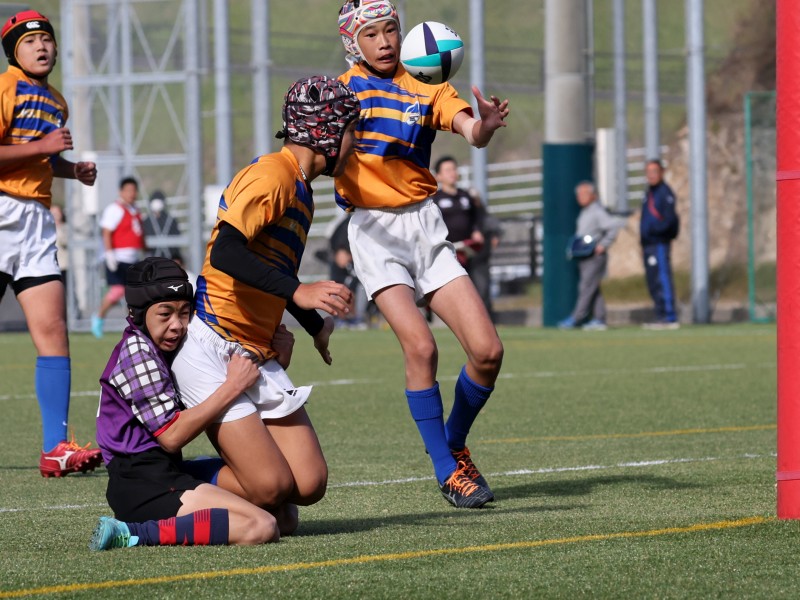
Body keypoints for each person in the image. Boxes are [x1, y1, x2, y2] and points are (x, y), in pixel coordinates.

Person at [335, 1, 508, 508]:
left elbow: (470, 132)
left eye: (390, 29)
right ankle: (447, 472)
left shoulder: (426, 82)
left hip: (426, 225)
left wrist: (486, 125)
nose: (385, 41)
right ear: (353, 44)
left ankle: (452, 444)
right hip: (373, 230)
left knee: (488, 352)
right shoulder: (343, 93)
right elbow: (323, 156)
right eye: (371, 34)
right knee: (422, 348)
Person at [170, 76, 361, 526]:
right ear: (326, 132)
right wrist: (299, 292)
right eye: (352, 131)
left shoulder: (301, 189)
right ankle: (170, 477)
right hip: (212, 343)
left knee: (309, 484)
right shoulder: (273, 174)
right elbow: (226, 252)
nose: (356, 143)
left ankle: (249, 475)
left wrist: (314, 325)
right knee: (271, 489)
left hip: (254, 350)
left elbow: (272, 270)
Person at [90, 257, 284, 550]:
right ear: (137, 313)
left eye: (184, 313)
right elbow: (171, 436)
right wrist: (233, 386)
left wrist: (278, 357)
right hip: (142, 484)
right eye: (165, 314)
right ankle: (132, 532)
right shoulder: (137, 352)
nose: (177, 325)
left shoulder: (165, 346)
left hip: (169, 470)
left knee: (284, 513)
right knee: (261, 526)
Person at [0, 9, 101, 478]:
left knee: (54, 330)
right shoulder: (5, 89)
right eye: (28, 41)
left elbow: (39, 161)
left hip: (36, 220)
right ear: (12, 52)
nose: (40, 47)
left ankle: (55, 448)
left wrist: (71, 170)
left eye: (46, 39)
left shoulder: (56, 101)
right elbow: (30, 151)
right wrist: (43, 148)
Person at [431, 155, 501, 320]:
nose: (452, 173)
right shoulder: (434, 200)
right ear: (438, 176)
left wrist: (478, 231)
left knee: (480, 285)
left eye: (454, 169)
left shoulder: (467, 196)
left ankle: (485, 319)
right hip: (449, 253)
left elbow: (479, 217)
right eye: (448, 170)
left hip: (470, 250)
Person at [558, 181, 621, 331]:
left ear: (593, 195)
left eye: (583, 194)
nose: (579, 197)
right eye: (578, 195)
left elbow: (613, 227)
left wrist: (603, 244)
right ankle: (599, 319)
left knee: (586, 287)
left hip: (594, 257)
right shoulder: (585, 212)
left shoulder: (597, 211)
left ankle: (576, 318)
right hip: (584, 256)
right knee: (593, 288)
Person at [92, 176, 146, 338]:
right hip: (118, 258)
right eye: (128, 190)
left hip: (133, 258)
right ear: (121, 192)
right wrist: (109, 254)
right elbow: (106, 232)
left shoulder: (135, 210)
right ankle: (98, 318)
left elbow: (139, 234)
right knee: (117, 291)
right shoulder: (114, 209)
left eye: (133, 190)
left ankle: (134, 325)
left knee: (134, 294)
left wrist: (145, 249)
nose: (131, 194)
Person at [640, 159, 680, 330]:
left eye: (654, 171)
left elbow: (670, 220)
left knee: (662, 278)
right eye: (648, 172)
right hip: (648, 245)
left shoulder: (665, 193)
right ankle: (660, 315)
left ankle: (669, 316)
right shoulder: (649, 193)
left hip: (659, 244)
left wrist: (654, 231)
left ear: (662, 172)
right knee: (653, 282)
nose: (651, 175)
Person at [143, 189, 183, 263]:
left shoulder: (170, 220)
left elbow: (176, 238)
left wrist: (176, 256)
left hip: (169, 258)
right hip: (152, 260)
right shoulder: (147, 221)